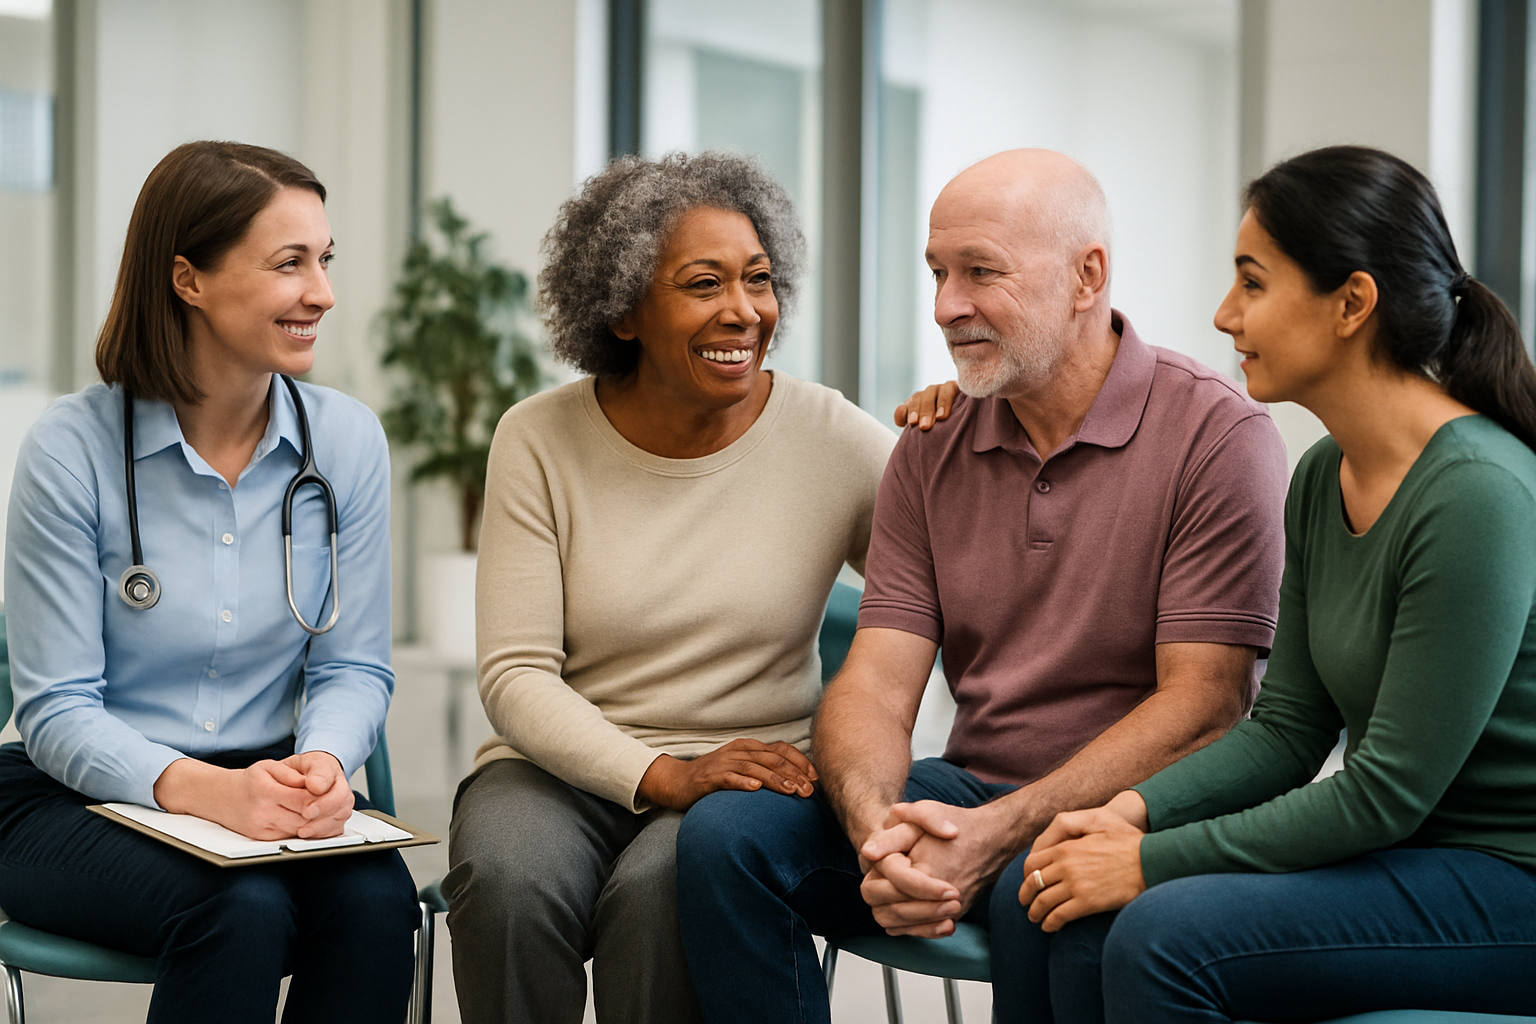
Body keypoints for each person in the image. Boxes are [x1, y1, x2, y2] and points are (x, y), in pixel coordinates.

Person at [676, 148, 1290, 1024]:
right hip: (974, 790)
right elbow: (878, 685)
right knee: (726, 839)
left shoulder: (1217, 436)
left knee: (1034, 890)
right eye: (937, 273)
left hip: (1141, 810)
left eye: (980, 273)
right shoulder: (931, 445)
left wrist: (999, 836)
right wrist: (877, 830)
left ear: (1088, 277)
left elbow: (1205, 704)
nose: (946, 307)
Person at [1014, 145, 1536, 1023]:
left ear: (1352, 303)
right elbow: (1289, 730)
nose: (1224, 315)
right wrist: (1131, 813)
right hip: (1410, 853)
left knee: (1160, 932)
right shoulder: (1323, 473)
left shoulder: (1477, 491)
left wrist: (1146, 860)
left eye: (1253, 283)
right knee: (1050, 899)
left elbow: (1385, 793)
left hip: (1507, 880)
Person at [443, 151, 899, 1024]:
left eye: (759, 280)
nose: (744, 312)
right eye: (703, 284)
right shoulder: (537, 439)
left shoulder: (831, 436)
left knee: (664, 898)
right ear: (623, 309)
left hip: (745, 780)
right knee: (506, 880)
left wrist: (963, 440)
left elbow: (951, 582)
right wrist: (659, 774)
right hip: (554, 772)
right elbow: (515, 677)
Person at [0, 141, 418, 1024]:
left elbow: (352, 666)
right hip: (77, 794)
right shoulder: (72, 451)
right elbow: (57, 709)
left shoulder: (344, 444)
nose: (323, 294)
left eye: (325, 260)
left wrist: (323, 763)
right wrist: (212, 793)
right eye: (289, 264)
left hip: (267, 782)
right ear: (188, 279)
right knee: (236, 906)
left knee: (380, 905)